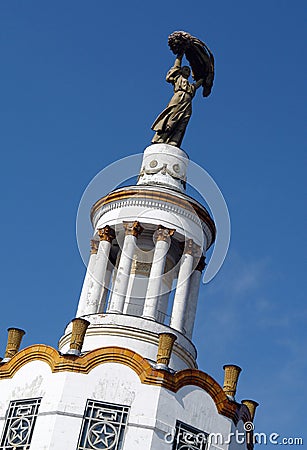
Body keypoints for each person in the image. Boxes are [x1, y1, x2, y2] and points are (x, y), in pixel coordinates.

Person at [151, 52, 203, 148]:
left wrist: (205, 76)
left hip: (188, 103)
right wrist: (180, 55)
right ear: (181, 71)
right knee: (172, 118)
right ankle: (161, 138)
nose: (188, 71)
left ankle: (174, 140)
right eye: (186, 69)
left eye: (189, 70)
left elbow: (197, 84)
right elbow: (176, 66)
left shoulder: (190, 86)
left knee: (183, 120)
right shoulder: (178, 78)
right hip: (179, 98)